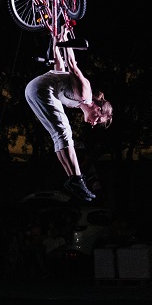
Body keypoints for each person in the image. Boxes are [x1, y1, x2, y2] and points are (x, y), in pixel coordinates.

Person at [24, 23, 112, 202]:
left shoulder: (77, 104)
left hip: (32, 91)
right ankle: (77, 179)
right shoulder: (85, 93)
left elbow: (59, 66)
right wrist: (67, 41)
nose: (94, 124)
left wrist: (56, 38)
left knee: (59, 135)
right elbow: (71, 64)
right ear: (98, 108)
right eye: (98, 119)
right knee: (64, 133)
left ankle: (73, 179)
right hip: (40, 89)